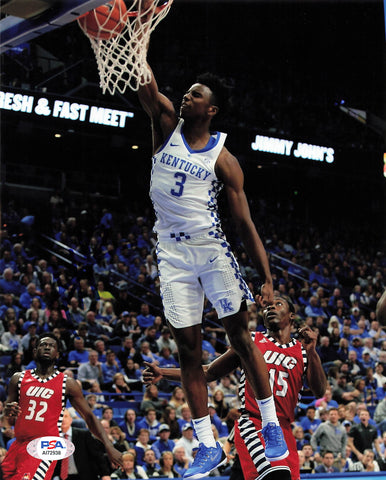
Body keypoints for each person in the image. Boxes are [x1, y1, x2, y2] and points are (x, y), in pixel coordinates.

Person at [137, 22, 287, 478]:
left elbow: (244, 222)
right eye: (185, 92)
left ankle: (270, 423)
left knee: (241, 338)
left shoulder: (224, 159)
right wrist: (133, 35)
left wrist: (267, 277)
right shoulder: (164, 124)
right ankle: (206, 444)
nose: (186, 97)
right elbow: (145, 83)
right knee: (187, 349)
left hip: (211, 250)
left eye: (195, 95)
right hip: (171, 253)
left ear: (212, 108)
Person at [143, 294, 326, 480]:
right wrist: (163, 373)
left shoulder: (302, 352)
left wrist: (312, 352)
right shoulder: (251, 341)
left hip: (284, 430)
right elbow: (208, 372)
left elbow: (319, 391)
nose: (271, 308)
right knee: (278, 476)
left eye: (278, 304)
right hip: (254, 423)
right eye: (267, 306)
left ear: (292, 315)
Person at [1, 332, 123, 480]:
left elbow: (89, 417)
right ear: (34, 352)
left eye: (51, 346)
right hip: (19, 444)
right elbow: (7, 419)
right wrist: (6, 412)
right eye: (43, 345)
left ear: (57, 354)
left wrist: (109, 446)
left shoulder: (68, 383)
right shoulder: (18, 379)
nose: (47, 348)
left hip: (45, 446)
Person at [52, 409, 112, 480]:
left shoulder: (83, 435)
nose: (63, 420)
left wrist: (105, 474)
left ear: (71, 420)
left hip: (85, 476)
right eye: (60, 417)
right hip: (63, 478)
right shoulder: (52, 439)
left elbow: (98, 455)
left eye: (66, 416)